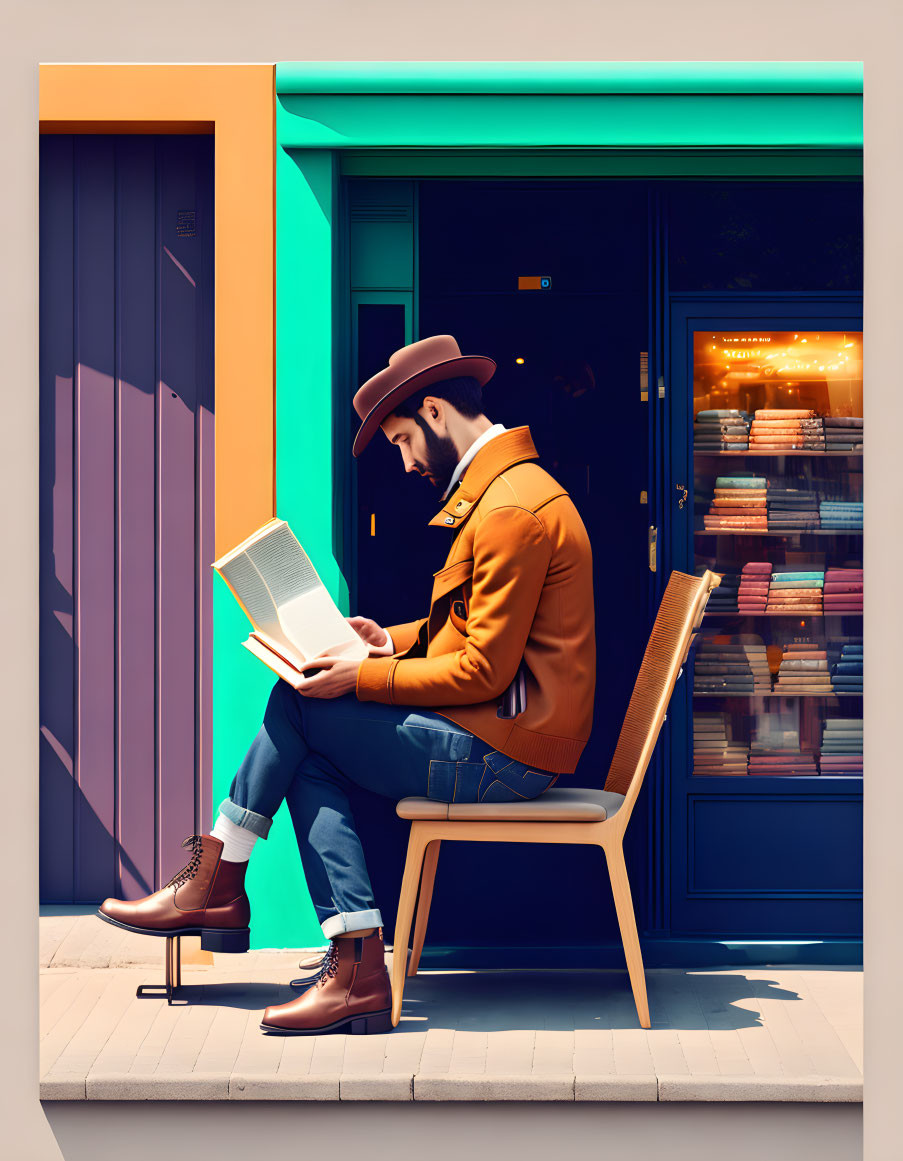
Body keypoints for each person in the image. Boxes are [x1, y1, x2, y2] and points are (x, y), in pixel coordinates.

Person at [97, 334, 596, 1036]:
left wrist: (361, 675)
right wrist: (387, 640)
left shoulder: (508, 509)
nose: (405, 461)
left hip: (508, 753)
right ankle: (347, 956)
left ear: (433, 411)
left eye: (401, 440)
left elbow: (485, 668)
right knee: (309, 741)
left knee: (301, 707)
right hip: (505, 733)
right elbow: (473, 626)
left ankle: (224, 884)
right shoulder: (504, 493)